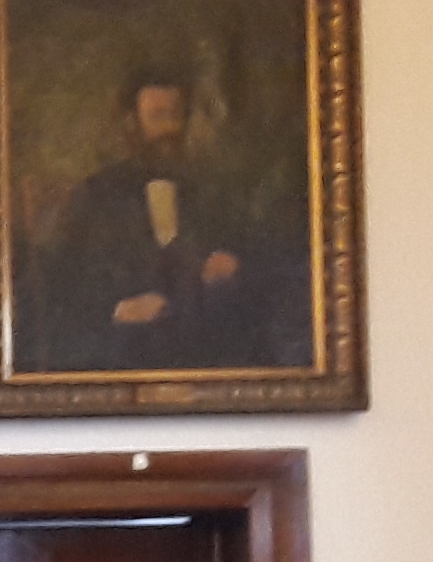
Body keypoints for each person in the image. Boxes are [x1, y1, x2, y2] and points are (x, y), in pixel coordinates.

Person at [33, 65, 278, 373]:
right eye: (157, 116)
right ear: (131, 124)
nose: (170, 129)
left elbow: (260, 264)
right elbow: (60, 288)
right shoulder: (96, 196)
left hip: (204, 359)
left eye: (177, 115)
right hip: (118, 357)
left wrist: (233, 264)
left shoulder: (212, 194)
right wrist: (118, 310)